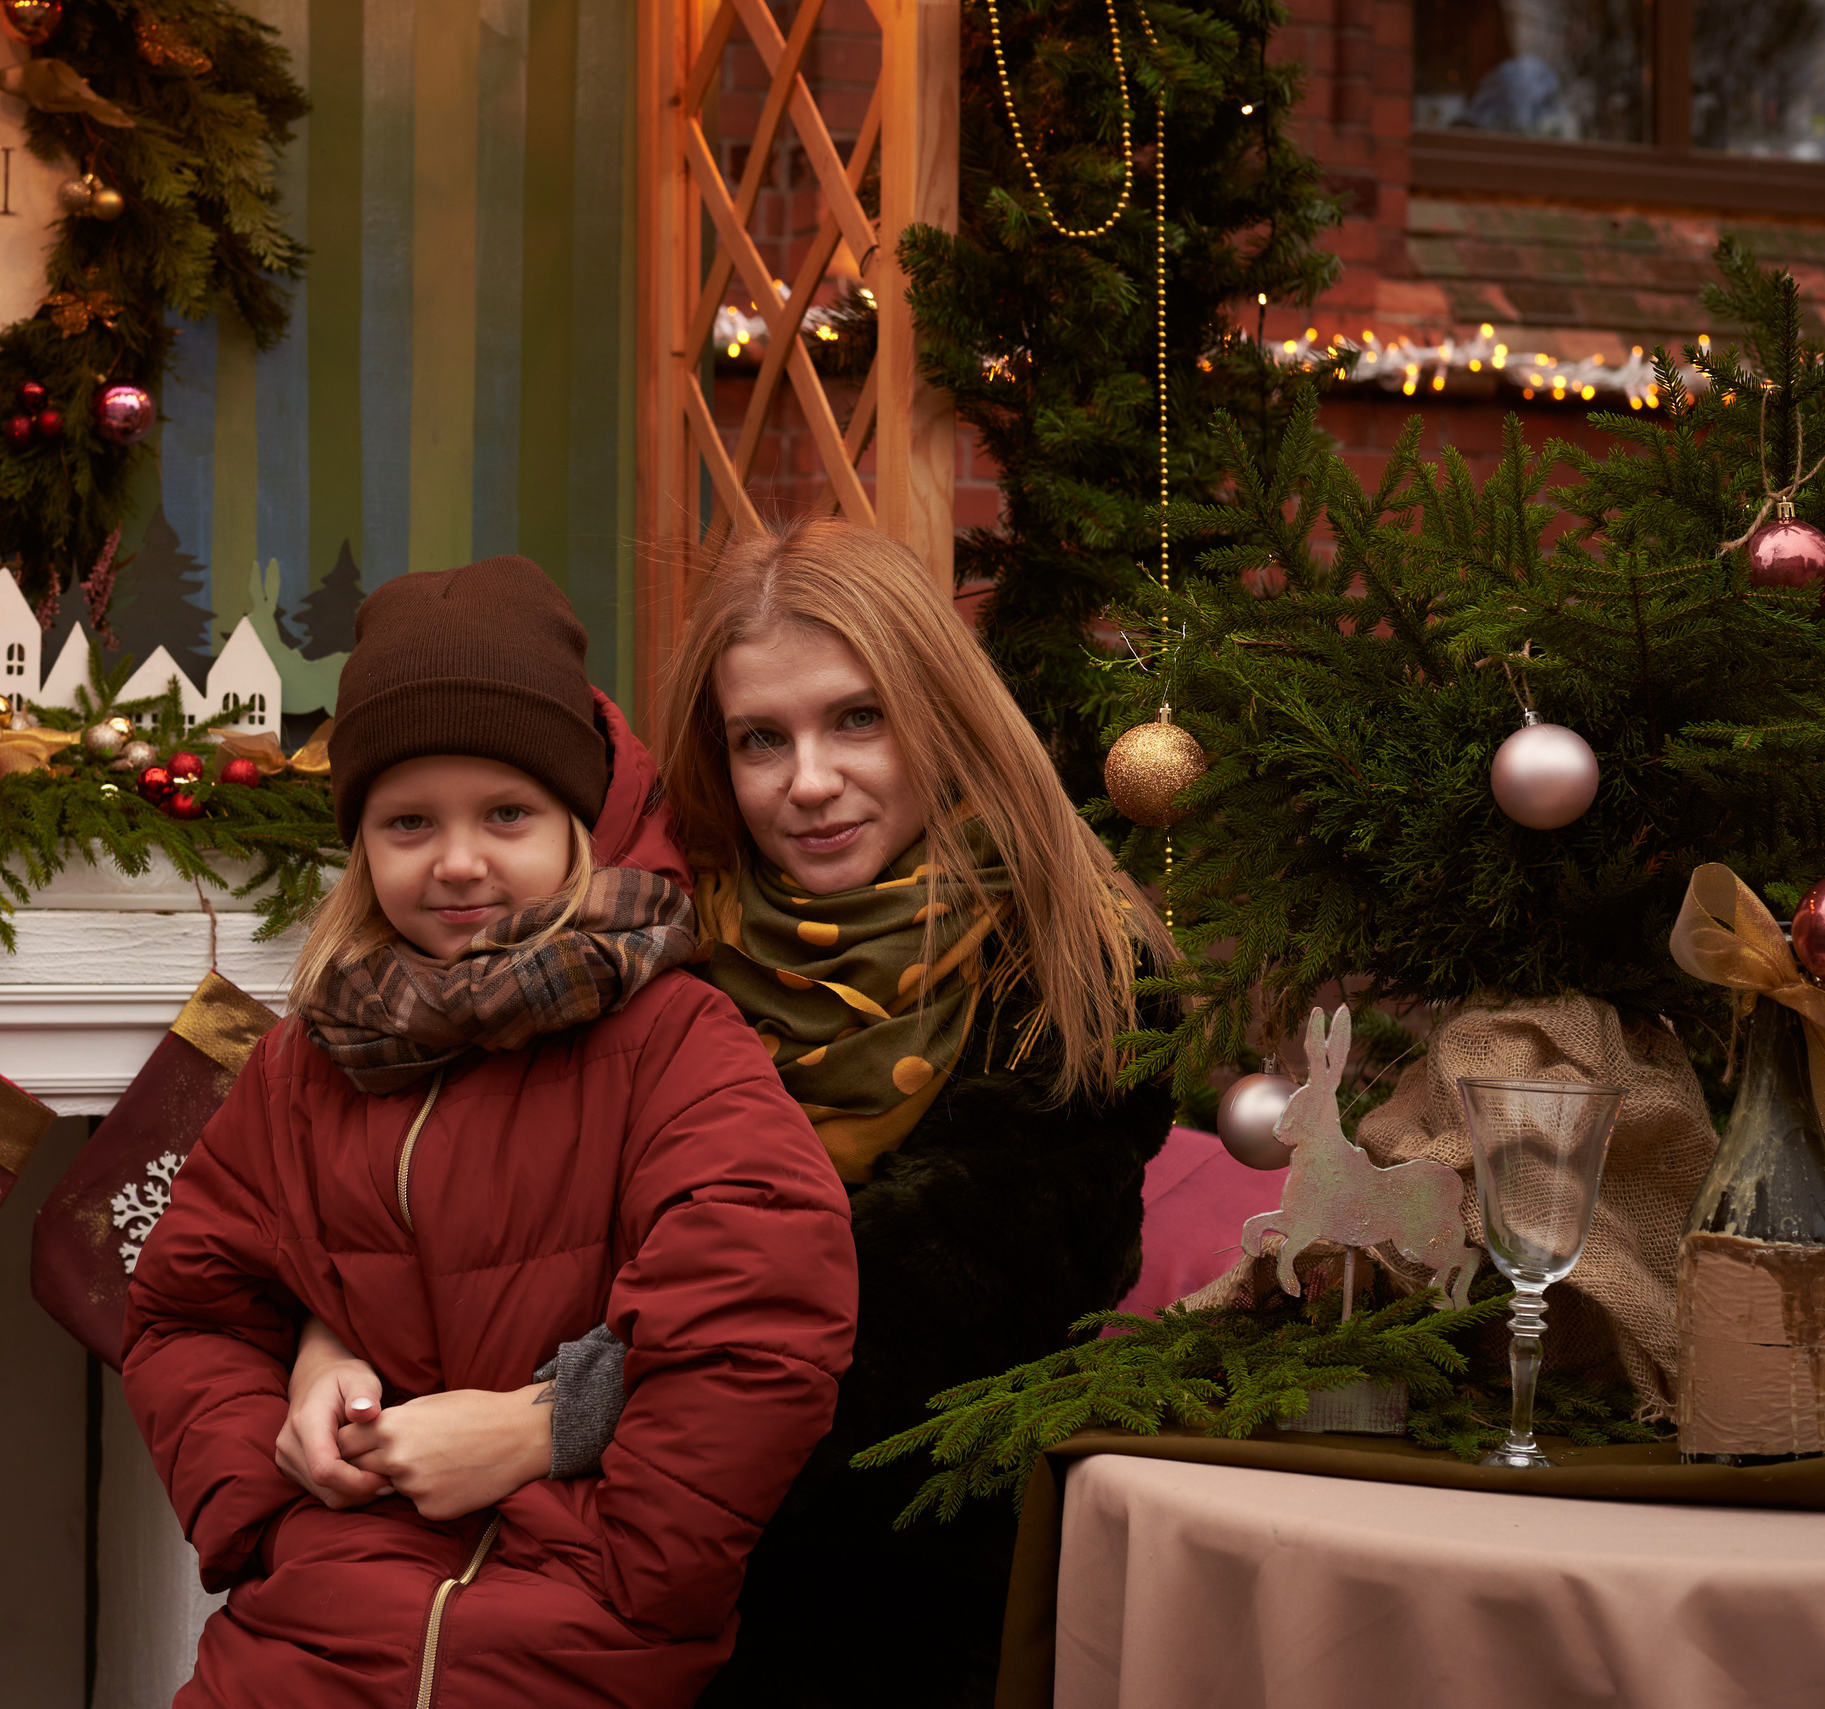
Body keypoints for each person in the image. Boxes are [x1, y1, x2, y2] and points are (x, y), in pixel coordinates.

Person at [283, 517, 1173, 1706]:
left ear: (941, 711)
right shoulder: (639, 934)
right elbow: (438, 1182)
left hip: (904, 1571)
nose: (809, 781)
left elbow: (934, 1294)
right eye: (762, 737)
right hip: (584, 1583)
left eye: (857, 717)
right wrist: (331, 1333)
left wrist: (557, 1419)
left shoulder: (1075, 955)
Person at [122, 555, 859, 1709]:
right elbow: (187, 1307)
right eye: (408, 819)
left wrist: (628, 1569)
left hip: (571, 1634)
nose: (457, 860)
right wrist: (271, 1485)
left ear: (579, 822)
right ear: (359, 842)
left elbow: (754, 1319)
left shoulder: (671, 1037)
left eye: (505, 812)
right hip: (311, 1627)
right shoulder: (304, 1062)